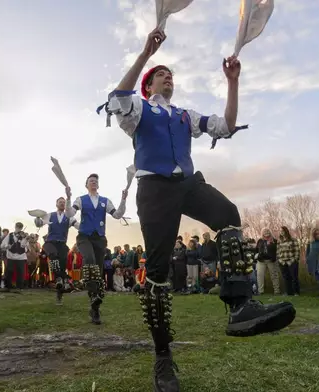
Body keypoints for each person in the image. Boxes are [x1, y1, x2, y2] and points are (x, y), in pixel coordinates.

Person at [101, 28, 296, 391]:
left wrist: (232, 82)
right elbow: (118, 95)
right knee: (158, 272)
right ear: (149, 85)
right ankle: (163, 357)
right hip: (155, 189)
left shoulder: (183, 115)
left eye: (170, 74)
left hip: (188, 183)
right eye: (162, 74)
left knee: (229, 214)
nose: (168, 76)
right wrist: (145, 54)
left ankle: (239, 306)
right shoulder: (140, 108)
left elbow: (226, 125)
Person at [64, 173, 127, 324]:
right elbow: (70, 213)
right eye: (91, 181)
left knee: (98, 271)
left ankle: (95, 305)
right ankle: (90, 288)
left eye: (95, 181)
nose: (93, 182)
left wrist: (123, 199)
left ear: (98, 185)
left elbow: (117, 215)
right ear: (87, 185)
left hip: (99, 239)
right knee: (90, 259)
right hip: (84, 237)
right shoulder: (81, 199)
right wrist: (68, 198)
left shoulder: (105, 201)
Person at [40, 197, 79, 304]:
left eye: (64, 202)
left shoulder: (69, 217)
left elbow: (78, 226)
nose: (62, 204)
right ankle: (64, 278)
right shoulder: (50, 215)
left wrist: (87, 228)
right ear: (56, 204)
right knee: (53, 255)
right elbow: (41, 222)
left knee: (62, 265)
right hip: (50, 242)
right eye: (60, 202)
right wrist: (38, 221)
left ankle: (59, 293)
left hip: (62, 244)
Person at [1, 222, 28, 293]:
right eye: (17, 227)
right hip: (11, 256)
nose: (18, 229)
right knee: (8, 272)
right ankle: (7, 287)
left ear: (22, 228)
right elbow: (2, 245)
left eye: (20, 228)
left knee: (21, 272)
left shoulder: (24, 236)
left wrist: (25, 240)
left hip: (21, 257)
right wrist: (7, 246)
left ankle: (19, 287)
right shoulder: (10, 235)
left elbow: (24, 246)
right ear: (15, 227)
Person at [255, 228, 279, 295]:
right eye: (264, 231)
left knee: (274, 275)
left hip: (271, 261)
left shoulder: (274, 240)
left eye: (268, 231)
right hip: (261, 261)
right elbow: (256, 250)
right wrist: (257, 256)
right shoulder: (260, 240)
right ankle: (260, 291)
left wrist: (271, 244)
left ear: (270, 232)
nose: (266, 232)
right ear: (262, 233)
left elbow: (277, 249)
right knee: (260, 275)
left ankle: (277, 290)